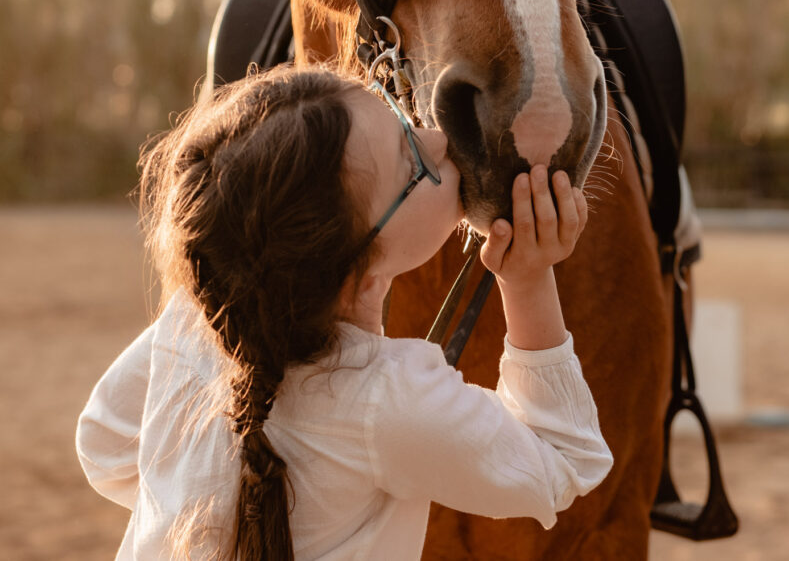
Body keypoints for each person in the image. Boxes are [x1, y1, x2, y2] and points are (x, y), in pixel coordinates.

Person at [75, 66, 613, 560]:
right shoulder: (387, 400)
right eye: (412, 160)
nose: (438, 137)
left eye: (399, 112)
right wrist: (527, 279)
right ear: (353, 269)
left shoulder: (197, 323)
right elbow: (565, 458)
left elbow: (103, 443)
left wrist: (213, 515)